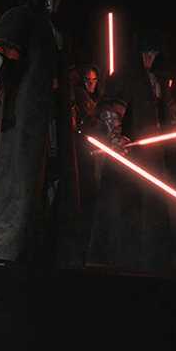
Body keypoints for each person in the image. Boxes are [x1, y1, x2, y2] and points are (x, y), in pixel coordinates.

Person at [0, 0, 82, 268]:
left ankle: (45, 244)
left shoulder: (59, 31)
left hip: (54, 113)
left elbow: (68, 75)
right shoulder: (20, 17)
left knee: (54, 174)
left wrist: (76, 108)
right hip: (26, 111)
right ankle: (3, 248)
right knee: (18, 174)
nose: (55, 0)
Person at [87, 30, 176, 273]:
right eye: (146, 53)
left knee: (158, 202)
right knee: (128, 201)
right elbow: (111, 107)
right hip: (133, 150)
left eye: (153, 54)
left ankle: (156, 254)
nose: (149, 58)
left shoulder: (159, 79)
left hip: (158, 150)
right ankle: (124, 254)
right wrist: (115, 135)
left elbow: (168, 110)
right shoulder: (125, 75)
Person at [73, 64, 105, 252]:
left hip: (97, 148)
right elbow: (87, 119)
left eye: (94, 80)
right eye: (87, 80)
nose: (90, 84)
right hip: (84, 147)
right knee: (87, 187)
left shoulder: (97, 98)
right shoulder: (79, 94)